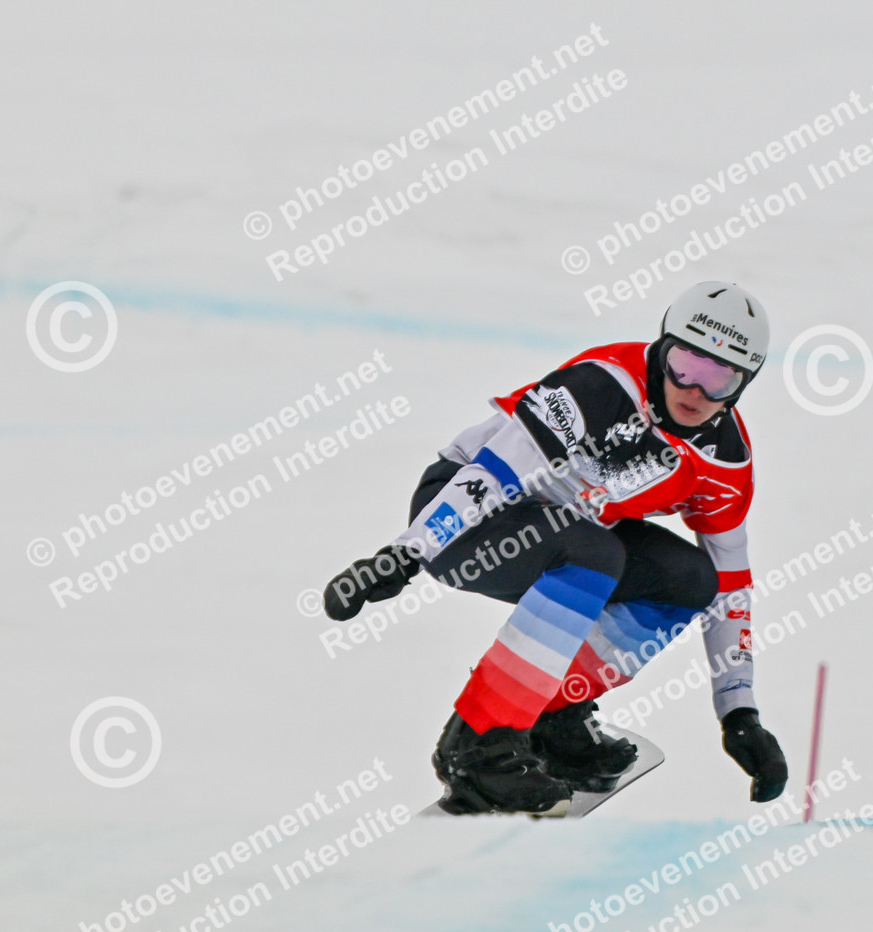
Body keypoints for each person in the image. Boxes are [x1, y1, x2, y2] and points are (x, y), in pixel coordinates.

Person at [321, 282, 789, 815]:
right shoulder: (600, 385)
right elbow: (496, 471)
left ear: (744, 384)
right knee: (594, 554)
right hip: (467, 515)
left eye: (720, 378)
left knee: (691, 579)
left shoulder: (725, 460)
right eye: (684, 364)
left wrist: (739, 712)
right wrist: (407, 553)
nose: (695, 390)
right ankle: (479, 743)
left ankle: (547, 711)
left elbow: (730, 587)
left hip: (570, 534)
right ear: (662, 347)